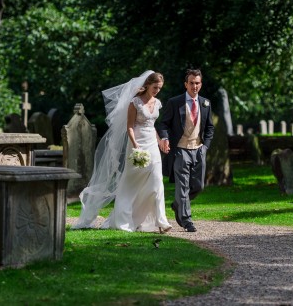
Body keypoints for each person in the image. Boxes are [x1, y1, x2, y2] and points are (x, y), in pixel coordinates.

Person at [71, 70, 173, 233]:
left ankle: (161, 221)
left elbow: (152, 126)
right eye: (155, 87)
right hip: (137, 144)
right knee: (130, 183)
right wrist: (136, 146)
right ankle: (123, 219)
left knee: (157, 181)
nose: (157, 90)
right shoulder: (135, 102)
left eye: (159, 88)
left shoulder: (158, 102)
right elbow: (130, 127)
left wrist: (160, 141)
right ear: (147, 85)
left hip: (152, 145)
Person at [158, 69, 215, 232]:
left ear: (201, 84)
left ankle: (178, 204)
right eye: (191, 83)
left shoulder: (206, 103)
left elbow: (210, 127)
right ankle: (187, 221)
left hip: (198, 149)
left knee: (198, 186)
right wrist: (165, 138)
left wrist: (205, 147)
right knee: (182, 187)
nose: (194, 86)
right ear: (186, 84)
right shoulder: (175, 102)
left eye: (197, 83)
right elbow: (164, 124)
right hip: (180, 150)